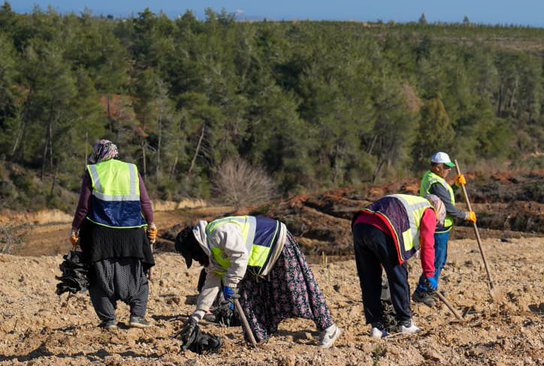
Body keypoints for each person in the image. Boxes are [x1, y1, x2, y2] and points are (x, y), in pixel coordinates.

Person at [174, 215, 341, 347]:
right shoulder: (211, 254)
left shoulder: (219, 231)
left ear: (196, 246)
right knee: (248, 298)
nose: (196, 260)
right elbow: (211, 284)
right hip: (255, 262)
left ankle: (329, 328)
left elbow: (240, 256)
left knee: (296, 289)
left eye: (194, 256)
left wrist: (231, 284)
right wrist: (196, 316)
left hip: (275, 242)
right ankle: (258, 337)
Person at [70, 139, 156, 330]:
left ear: (98, 155)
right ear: (115, 153)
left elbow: (84, 207)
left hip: (101, 234)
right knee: (137, 273)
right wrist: (151, 223)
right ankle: (137, 316)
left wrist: (75, 228)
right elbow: (145, 202)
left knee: (99, 276)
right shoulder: (131, 170)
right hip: (132, 232)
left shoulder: (93, 171)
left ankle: (109, 320)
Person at [351, 193, 444, 338]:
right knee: (398, 277)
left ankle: (377, 327)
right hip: (384, 229)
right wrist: (429, 274)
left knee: (369, 280)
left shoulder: (409, 201)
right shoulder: (429, 210)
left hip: (360, 225)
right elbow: (427, 244)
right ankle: (406, 323)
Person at [415, 151, 474, 306]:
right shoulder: (435, 182)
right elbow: (448, 207)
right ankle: (423, 292)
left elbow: (444, 198)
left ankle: (428, 290)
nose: (449, 170)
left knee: (439, 261)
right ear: (438, 167)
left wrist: (455, 185)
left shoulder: (434, 178)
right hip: (437, 228)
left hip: (440, 226)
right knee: (436, 261)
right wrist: (466, 215)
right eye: (446, 167)